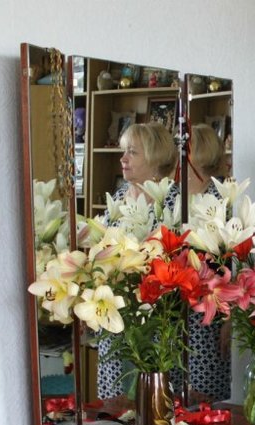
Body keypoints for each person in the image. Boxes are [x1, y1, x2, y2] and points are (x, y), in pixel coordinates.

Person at [96, 122, 179, 400]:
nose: (123, 158)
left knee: (153, 399)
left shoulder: (172, 201)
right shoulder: (119, 197)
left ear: (156, 159)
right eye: (124, 151)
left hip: (155, 318)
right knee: (116, 402)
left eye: (132, 152)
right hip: (117, 314)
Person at [184, 124, 231, 401]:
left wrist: (229, 321)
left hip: (209, 313)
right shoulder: (176, 196)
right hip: (179, 312)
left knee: (204, 397)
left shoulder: (219, 200)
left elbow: (231, 264)